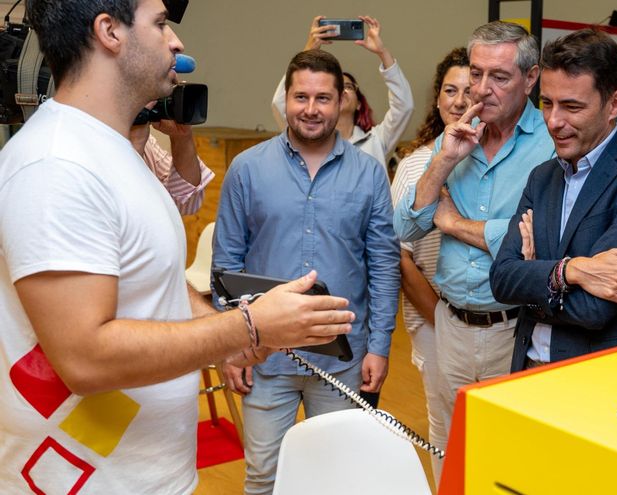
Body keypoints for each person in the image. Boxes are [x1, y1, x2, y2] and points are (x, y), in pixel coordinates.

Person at [0, 2, 353, 493]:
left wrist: (226, 334)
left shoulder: (119, 151)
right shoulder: (57, 165)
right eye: (161, 23)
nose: (176, 42)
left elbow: (156, 285)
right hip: (83, 478)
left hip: (146, 472)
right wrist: (245, 325)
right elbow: (85, 357)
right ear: (109, 32)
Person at [213, 49, 400, 494]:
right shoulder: (247, 169)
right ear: (286, 99)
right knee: (264, 476)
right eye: (301, 97)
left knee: (337, 479)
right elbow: (226, 263)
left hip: (344, 359)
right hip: (265, 355)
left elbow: (384, 266)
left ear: (342, 102)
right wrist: (231, 345)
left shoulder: (369, 173)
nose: (311, 110)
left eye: (323, 98)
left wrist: (379, 346)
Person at [394, 21, 555, 433]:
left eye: (499, 77)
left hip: (514, 328)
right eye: (477, 72)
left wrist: (452, 222)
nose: (481, 89)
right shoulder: (456, 136)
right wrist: (445, 160)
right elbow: (407, 227)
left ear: (531, 77)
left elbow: (537, 242)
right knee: (448, 445)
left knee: (507, 450)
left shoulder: (552, 142)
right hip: (450, 327)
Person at [490, 28, 617, 372]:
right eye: (546, 103)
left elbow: (596, 310)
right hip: (527, 370)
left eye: (572, 106)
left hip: (599, 377)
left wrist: (534, 278)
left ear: (615, 104)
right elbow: (502, 279)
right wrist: (571, 270)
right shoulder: (543, 176)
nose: (553, 121)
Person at [388, 46, 469, 485]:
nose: (459, 100)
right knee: (445, 425)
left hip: (486, 317)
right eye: (449, 89)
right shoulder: (416, 163)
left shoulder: (498, 157)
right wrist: (439, 314)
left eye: (468, 90)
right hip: (432, 312)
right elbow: (398, 251)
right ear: (437, 97)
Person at [271, 15, 413, 166]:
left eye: (348, 87)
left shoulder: (376, 141)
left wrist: (383, 53)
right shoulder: (308, 136)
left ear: (359, 103)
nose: (343, 91)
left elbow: (404, 106)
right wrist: (308, 51)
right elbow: (279, 103)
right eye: (329, 93)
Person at [129, 116, 214, 215]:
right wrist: (136, 144)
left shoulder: (147, 143)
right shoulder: (108, 139)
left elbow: (185, 202)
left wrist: (182, 137)